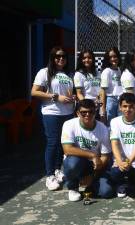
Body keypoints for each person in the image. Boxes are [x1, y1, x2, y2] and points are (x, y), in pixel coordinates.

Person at [31, 46, 74, 191]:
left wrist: (72, 98)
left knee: (63, 143)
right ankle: (49, 175)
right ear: (52, 58)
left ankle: (57, 170)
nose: (61, 59)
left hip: (68, 113)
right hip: (51, 112)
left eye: (63, 56)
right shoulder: (44, 72)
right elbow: (34, 92)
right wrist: (56, 97)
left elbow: (68, 94)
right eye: (57, 56)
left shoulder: (68, 74)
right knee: (52, 142)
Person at [61, 99, 113, 201]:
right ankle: (73, 186)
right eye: (83, 112)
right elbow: (67, 149)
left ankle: (89, 183)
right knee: (72, 163)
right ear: (77, 113)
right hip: (78, 161)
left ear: (95, 112)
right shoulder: (69, 124)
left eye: (91, 112)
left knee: (106, 192)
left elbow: (105, 156)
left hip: (95, 165)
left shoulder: (103, 128)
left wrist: (93, 175)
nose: (87, 115)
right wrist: (92, 155)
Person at [108, 93, 135, 198]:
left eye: (131, 106)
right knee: (115, 172)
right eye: (124, 106)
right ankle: (121, 184)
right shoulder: (115, 121)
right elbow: (114, 143)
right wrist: (119, 162)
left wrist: (129, 162)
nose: (127, 109)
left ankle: (132, 182)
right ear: (120, 107)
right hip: (120, 163)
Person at [100, 47, 123, 125]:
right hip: (111, 100)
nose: (113, 59)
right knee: (111, 124)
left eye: (115, 56)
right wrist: (102, 110)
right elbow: (103, 91)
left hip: (120, 99)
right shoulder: (106, 71)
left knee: (120, 123)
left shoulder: (119, 70)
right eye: (110, 57)